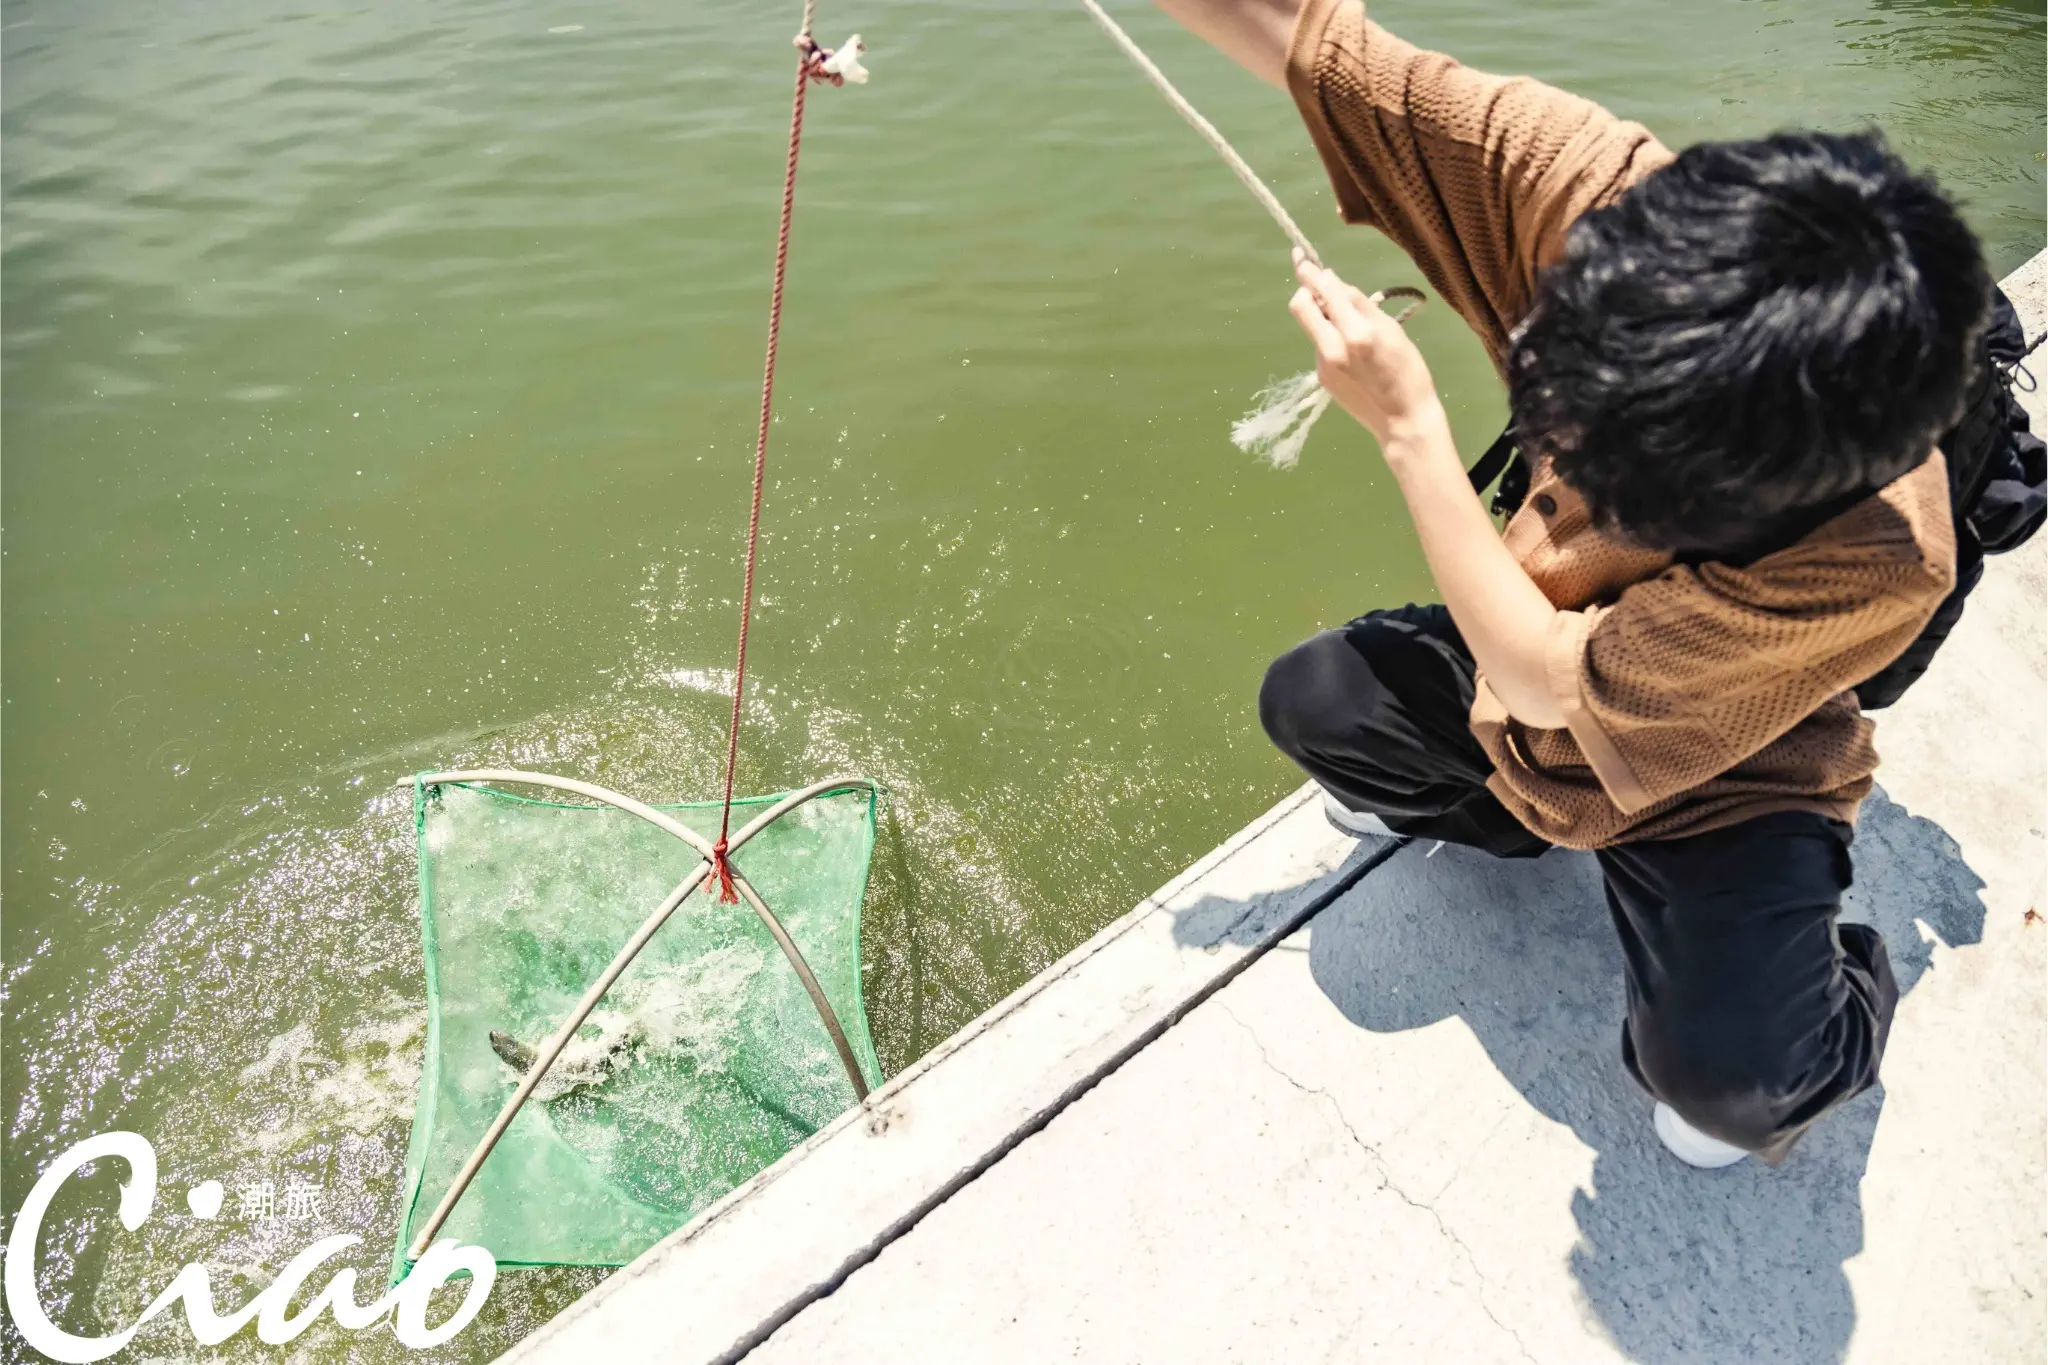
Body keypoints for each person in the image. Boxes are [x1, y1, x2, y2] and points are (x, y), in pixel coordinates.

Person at [1153, 0, 1996, 1167]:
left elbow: (1549, 683)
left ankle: (1839, 989)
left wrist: (1408, 430)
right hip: (1553, 659)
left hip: (1730, 760)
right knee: (1317, 705)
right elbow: (1300, 34)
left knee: (1725, 1098)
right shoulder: (1593, 187)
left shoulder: (1871, 559)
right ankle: (1523, 831)